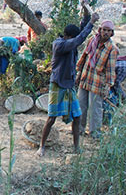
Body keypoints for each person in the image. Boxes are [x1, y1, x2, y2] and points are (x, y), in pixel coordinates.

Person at [37, 8, 99, 156]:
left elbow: (82, 29)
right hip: (58, 84)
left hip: (69, 84)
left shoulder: (69, 41)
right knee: (52, 118)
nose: (75, 41)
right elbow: (79, 39)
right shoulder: (60, 44)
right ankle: (42, 146)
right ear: (67, 36)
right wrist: (92, 23)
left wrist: (85, 11)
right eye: (73, 38)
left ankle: (76, 147)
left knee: (77, 116)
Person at [76, 20, 119, 138]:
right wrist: (78, 72)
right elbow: (84, 57)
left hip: (97, 82)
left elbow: (110, 69)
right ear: (100, 30)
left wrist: (108, 86)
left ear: (111, 33)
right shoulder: (92, 41)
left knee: (95, 109)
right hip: (86, 77)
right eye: (104, 30)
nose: (105, 32)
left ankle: (95, 133)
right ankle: (79, 129)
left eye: (108, 31)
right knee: (81, 105)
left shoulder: (111, 48)